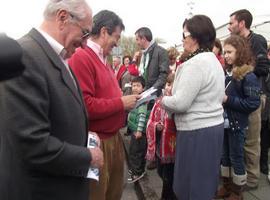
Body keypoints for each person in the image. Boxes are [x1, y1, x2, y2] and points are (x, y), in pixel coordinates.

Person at [0, 1, 104, 200]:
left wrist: (83, 133)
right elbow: (31, 144)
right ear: (63, 17)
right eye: (84, 33)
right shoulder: (23, 56)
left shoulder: (57, 57)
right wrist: (88, 156)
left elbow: (54, 113)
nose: (84, 44)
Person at [69, 10, 138, 200]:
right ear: (104, 32)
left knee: (113, 192)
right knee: (97, 195)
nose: (117, 43)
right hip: (98, 142)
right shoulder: (82, 57)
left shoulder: (103, 58)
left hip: (113, 138)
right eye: (116, 37)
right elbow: (86, 106)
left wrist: (124, 103)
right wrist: (121, 103)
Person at [162, 15, 225, 200]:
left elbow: (181, 103)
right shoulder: (213, 60)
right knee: (206, 180)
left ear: (195, 37)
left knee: (191, 186)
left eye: (184, 33)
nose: (182, 39)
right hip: (213, 128)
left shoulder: (194, 64)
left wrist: (163, 99)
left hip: (196, 132)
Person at [228, 9, 270, 190]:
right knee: (240, 141)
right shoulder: (237, 41)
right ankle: (241, 177)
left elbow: (263, 67)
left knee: (252, 141)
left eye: (231, 23)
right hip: (238, 97)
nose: (229, 26)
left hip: (252, 96)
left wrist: (243, 71)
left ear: (242, 23)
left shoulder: (257, 40)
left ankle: (252, 181)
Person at [215, 34, 260, 200]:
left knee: (237, 157)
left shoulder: (249, 76)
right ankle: (226, 186)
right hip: (225, 123)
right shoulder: (228, 73)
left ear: (239, 52)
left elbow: (252, 104)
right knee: (224, 156)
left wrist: (228, 99)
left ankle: (237, 191)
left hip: (236, 124)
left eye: (229, 52)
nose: (225, 55)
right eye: (225, 52)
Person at [135, 27, 169, 170]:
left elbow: (163, 74)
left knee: (155, 126)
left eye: (137, 39)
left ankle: (156, 157)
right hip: (145, 94)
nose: (136, 42)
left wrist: (152, 90)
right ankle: (147, 155)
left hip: (155, 95)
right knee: (145, 125)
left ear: (144, 38)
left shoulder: (160, 51)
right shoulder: (144, 54)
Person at [146, 73, 177, 200]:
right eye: (168, 84)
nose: (169, 88)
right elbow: (150, 121)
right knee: (160, 172)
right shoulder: (159, 102)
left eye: (173, 85)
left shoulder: (178, 104)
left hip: (173, 149)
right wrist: (156, 126)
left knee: (169, 178)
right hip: (160, 147)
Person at [134, 27, 169, 97]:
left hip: (154, 96)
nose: (137, 43)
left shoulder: (161, 52)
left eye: (137, 39)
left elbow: (163, 75)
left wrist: (151, 91)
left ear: (143, 39)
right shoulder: (142, 54)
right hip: (144, 95)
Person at [127, 76, 149, 183]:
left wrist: (139, 131)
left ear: (143, 88)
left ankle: (137, 173)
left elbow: (142, 116)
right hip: (135, 131)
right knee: (134, 151)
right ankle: (136, 170)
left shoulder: (142, 101)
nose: (135, 88)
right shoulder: (135, 98)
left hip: (138, 133)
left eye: (138, 86)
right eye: (133, 85)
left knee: (137, 153)